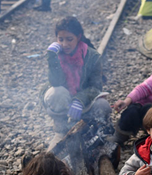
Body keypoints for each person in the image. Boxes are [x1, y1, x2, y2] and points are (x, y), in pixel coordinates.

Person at [42, 16, 112, 147]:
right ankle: (61, 131)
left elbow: (96, 86)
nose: (64, 44)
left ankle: (97, 132)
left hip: (85, 103)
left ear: (78, 37)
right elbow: (55, 82)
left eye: (69, 39)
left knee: (103, 104)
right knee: (55, 92)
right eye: (60, 39)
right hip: (63, 102)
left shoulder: (92, 56)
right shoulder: (55, 53)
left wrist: (79, 100)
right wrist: (52, 58)